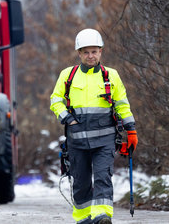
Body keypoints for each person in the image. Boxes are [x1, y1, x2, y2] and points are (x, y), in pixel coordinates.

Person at [50, 28, 137, 224]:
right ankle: (83, 219)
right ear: (79, 53)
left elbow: (122, 104)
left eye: (94, 51)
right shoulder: (68, 75)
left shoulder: (111, 76)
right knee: (80, 183)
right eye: (86, 52)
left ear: (101, 52)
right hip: (76, 142)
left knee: (102, 178)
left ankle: (102, 216)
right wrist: (67, 118)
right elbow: (55, 100)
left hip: (104, 141)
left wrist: (131, 130)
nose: (91, 56)